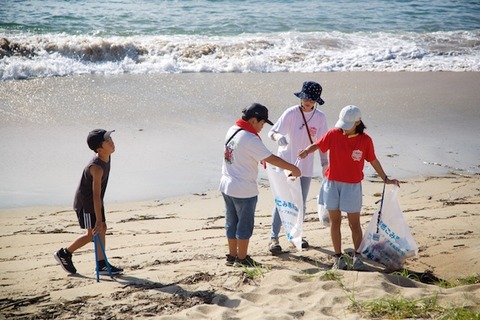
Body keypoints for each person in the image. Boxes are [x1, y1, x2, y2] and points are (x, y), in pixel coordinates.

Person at [298, 105, 400, 270]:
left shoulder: (365, 140)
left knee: (354, 224)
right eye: (342, 125)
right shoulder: (333, 134)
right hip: (332, 184)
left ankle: (357, 256)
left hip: (352, 186)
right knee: (335, 222)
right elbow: (317, 144)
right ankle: (338, 257)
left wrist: (386, 178)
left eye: (347, 126)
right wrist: (306, 152)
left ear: (357, 122)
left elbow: (373, 160)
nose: (343, 129)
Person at [219, 103, 301, 267]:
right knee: (244, 225)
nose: (263, 127)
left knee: (231, 223)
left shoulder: (233, 129)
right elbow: (271, 158)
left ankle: (232, 256)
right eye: (262, 123)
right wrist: (293, 168)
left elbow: (247, 153)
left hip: (227, 185)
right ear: (254, 120)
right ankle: (242, 259)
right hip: (243, 189)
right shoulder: (249, 138)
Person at [268, 81, 328, 253]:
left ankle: (295, 236)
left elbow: (322, 143)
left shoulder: (320, 118)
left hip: (305, 166)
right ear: (301, 97)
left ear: (316, 100)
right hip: (285, 163)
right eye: (305, 98)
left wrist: (325, 163)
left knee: (299, 202)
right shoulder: (292, 113)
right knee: (283, 200)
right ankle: (273, 238)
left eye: (311, 99)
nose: (307, 102)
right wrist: (279, 137)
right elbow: (271, 132)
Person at [54, 129, 123, 275]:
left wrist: (100, 221)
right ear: (99, 149)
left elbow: (98, 197)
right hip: (86, 203)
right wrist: (97, 219)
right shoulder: (96, 167)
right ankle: (64, 253)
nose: (112, 142)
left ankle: (102, 264)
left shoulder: (107, 156)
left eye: (110, 138)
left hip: (96, 201)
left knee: (102, 228)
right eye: (107, 141)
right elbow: (95, 195)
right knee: (92, 233)